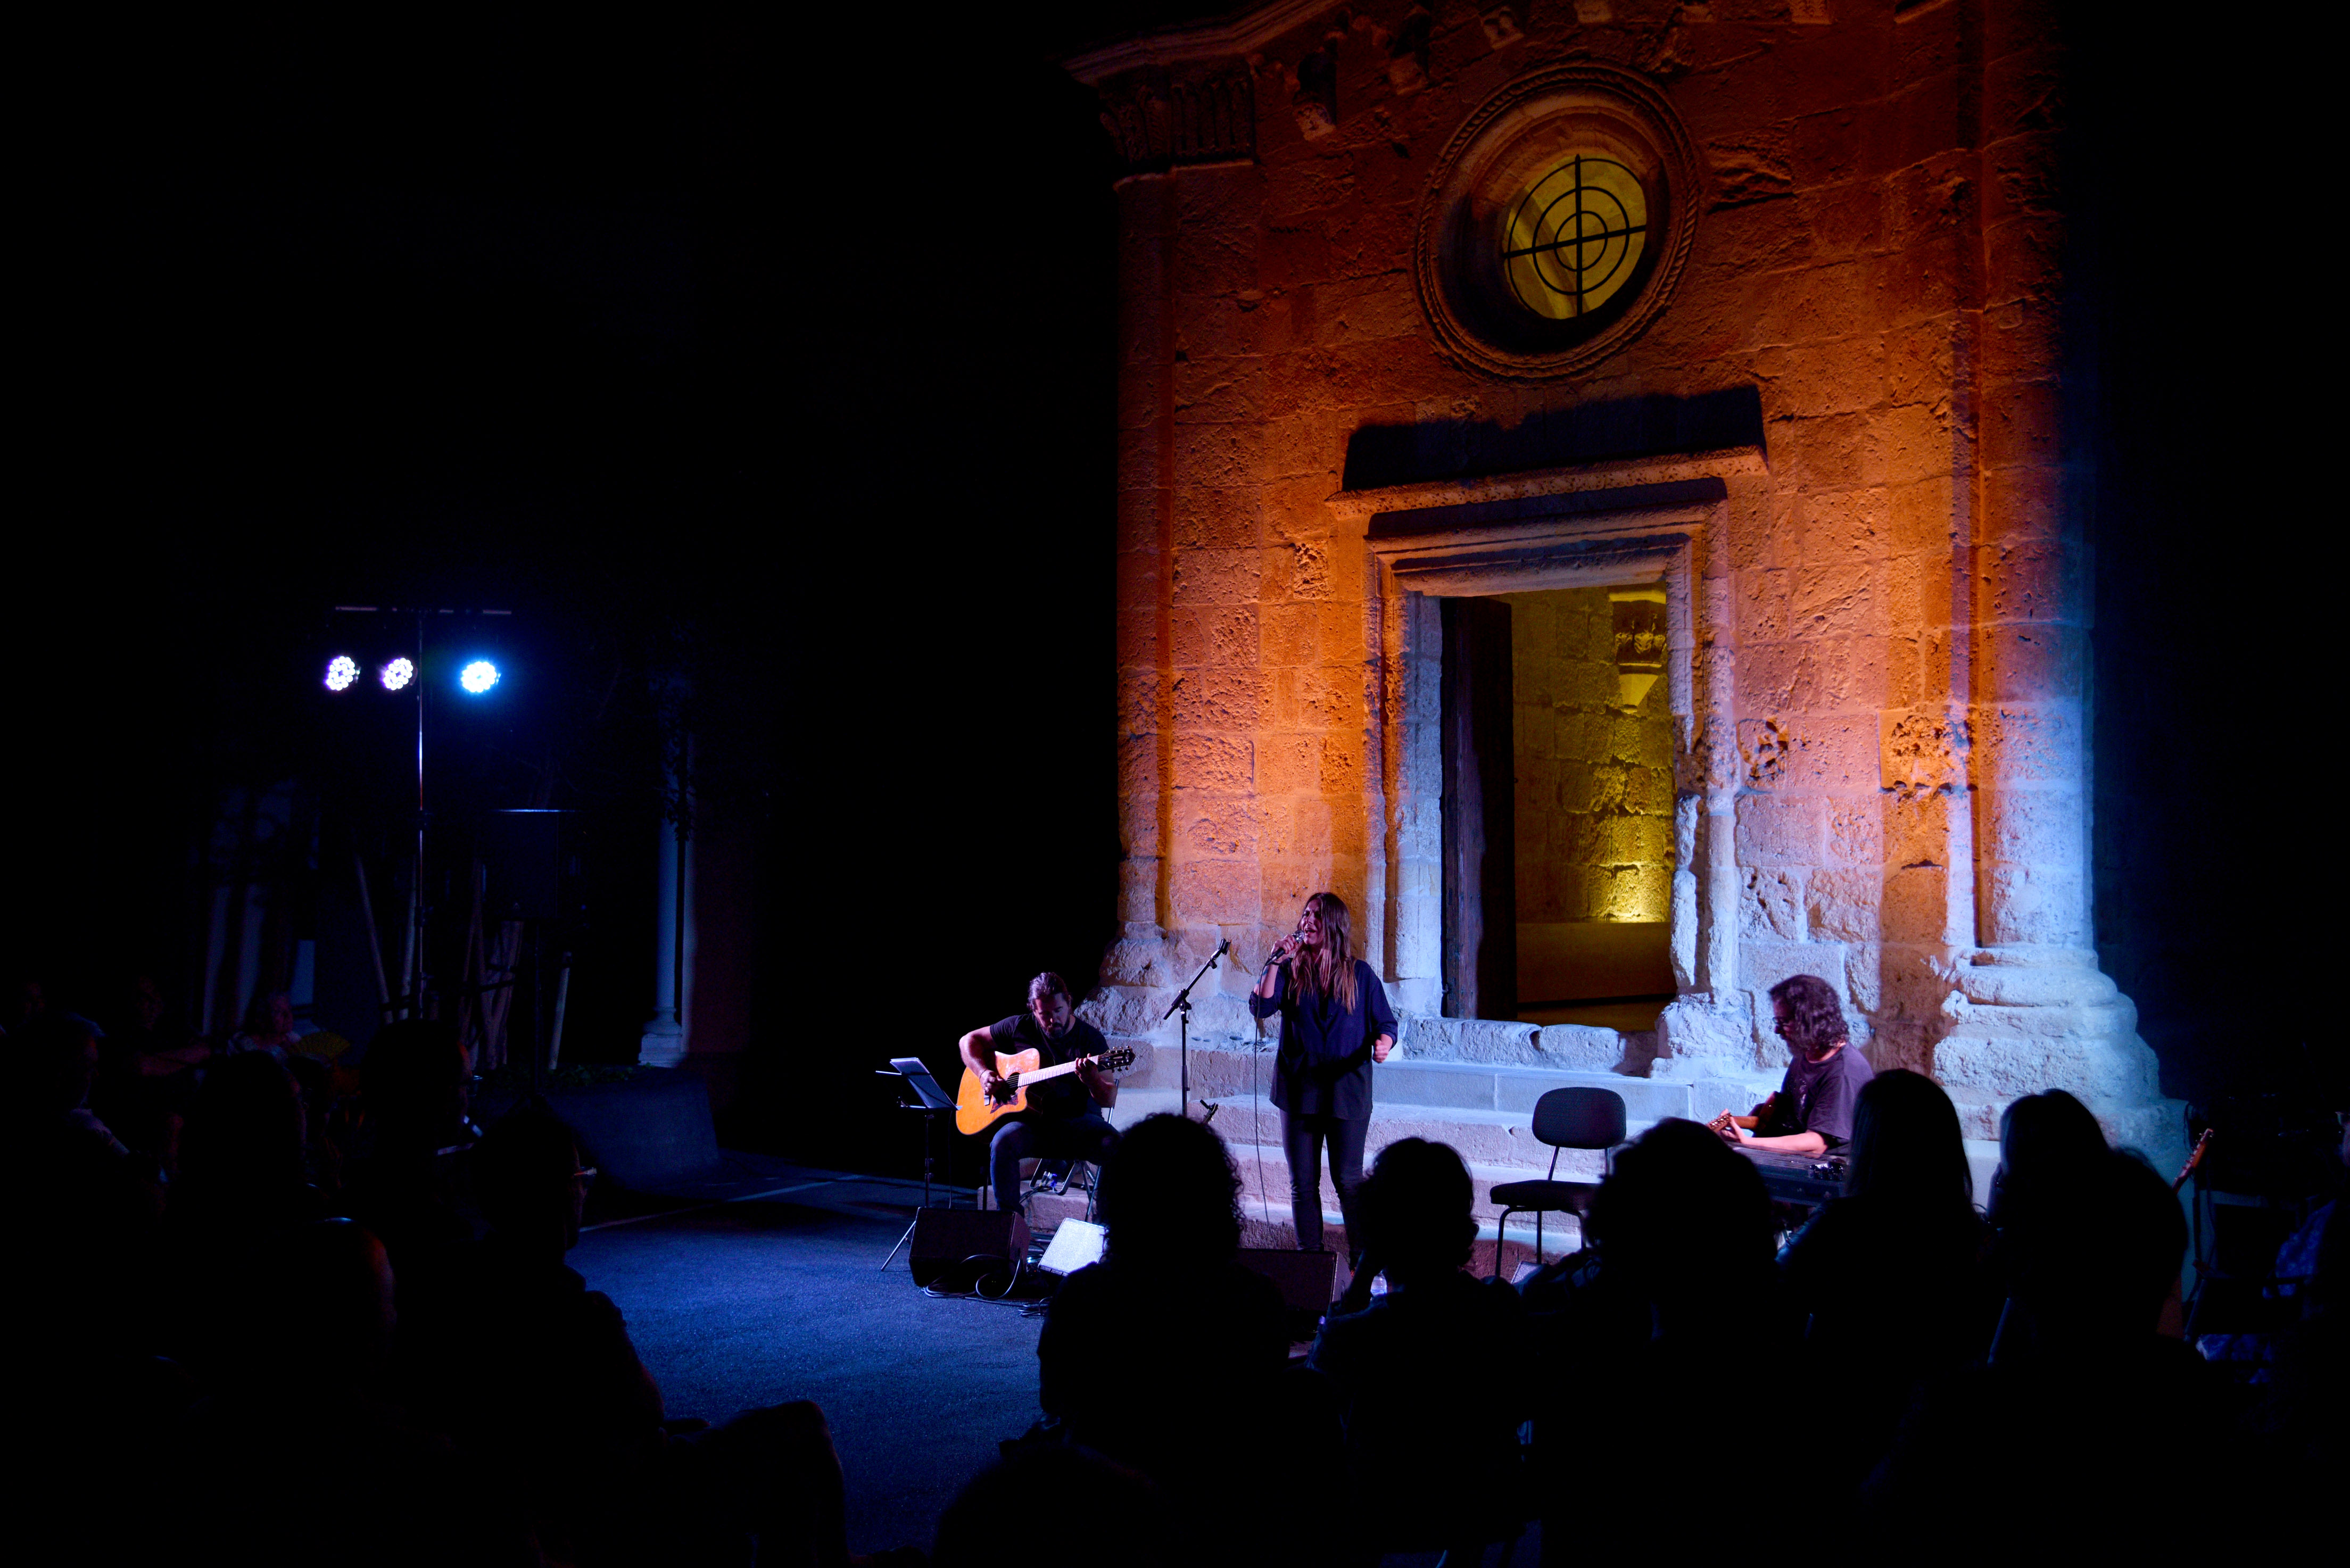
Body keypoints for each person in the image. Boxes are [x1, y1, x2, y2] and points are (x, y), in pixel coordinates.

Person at [1780, 1071, 2000, 1498]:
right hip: (1943, 1453)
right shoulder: (1977, 1238)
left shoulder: (1842, 1227)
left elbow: (1767, 1300)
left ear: (1872, 1144)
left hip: (1840, 1434)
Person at [1308, 1137, 1529, 1561]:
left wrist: (1361, 1278)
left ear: (1379, 1230)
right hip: (1483, 1502)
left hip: (1385, 1507)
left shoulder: (1360, 1332)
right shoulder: (1500, 1305)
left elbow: (1315, 1389)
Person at [1250, 892, 1396, 1256]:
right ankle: (1310, 1263)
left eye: (1316, 915)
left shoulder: (1360, 974)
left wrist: (1384, 1043)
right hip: (1299, 1090)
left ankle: (1362, 1266)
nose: (1307, 921)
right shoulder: (1290, 970)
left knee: (1349, 1182)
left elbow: (1386, 1023)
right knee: (1303, 1184)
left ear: (1334, 924)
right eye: (1305, 914)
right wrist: (1274, 961)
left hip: (1347, 1091)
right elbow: (1262, 1007)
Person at [957, 972, 1119, 1218]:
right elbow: (967, 1041)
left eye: (1059, 1011)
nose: (1053, 1020)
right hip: (1034, 1125)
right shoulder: (1019, 1026)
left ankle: (1109, 1225)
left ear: (1069, 1002)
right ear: (1033, 1010)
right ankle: (1011, 1225)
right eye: (1045, 1014)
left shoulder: (1090, 1038)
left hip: (1079, 1124)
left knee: (1116, 1146)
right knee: (1002, 1143)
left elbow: (1109, 1099)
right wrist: (983, 1074)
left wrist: (1093, 1080)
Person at [1716, 972, 1873, 1155]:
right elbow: (1788, 1114)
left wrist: (1748, 1143)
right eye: (1777, 1021)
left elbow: (1817, 1144)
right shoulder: (1805, 1052)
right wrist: (1752, 1120)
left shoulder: (1845, 1072)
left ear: (1810, 1021)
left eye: (1784, 1022)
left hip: (1830, 1165)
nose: (1777, 1030)